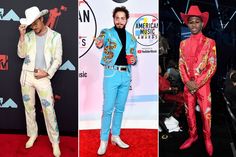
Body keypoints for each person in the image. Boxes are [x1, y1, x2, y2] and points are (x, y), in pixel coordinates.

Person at [17, 6, 62, 157]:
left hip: (43, 77)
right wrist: (22, 36)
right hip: (27, 76)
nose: (34, 27)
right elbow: (21, 54)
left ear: (42, 19)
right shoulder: (28, 35)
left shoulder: (56, 36)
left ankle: (55, 142)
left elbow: (58, 59)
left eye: (35, 23)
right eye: (31, 25)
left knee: (49, 110)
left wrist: (47, 73)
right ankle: (33, 134)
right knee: (29, 108)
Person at [95, 6, 137, 155]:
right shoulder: (107, 33)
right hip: (111, 74)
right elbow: (100, 40)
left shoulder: (132, 38)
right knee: (107, 109)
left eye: (122, 18)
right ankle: (103, 140)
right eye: (117, 18)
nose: (120, 20)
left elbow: (134, 58)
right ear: (114, 18)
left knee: (120, 108)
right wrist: (99, 43)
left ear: (126, 20)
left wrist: (133, 59)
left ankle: (116, 136)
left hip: (126, 75)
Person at [178, 5, 217, 156]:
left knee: (206, 115)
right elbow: (181, 64)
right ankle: (192, 136)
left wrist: (197, 83)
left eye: (196, 22)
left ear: (202, 23)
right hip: (188, 86)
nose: (194, 25)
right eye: (191, 22)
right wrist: (187, 82)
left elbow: (212, 65)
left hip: (203, 86)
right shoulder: (183, 44)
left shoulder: (210, 43)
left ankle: (207, 139)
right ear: (188, 24)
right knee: (189, 114)